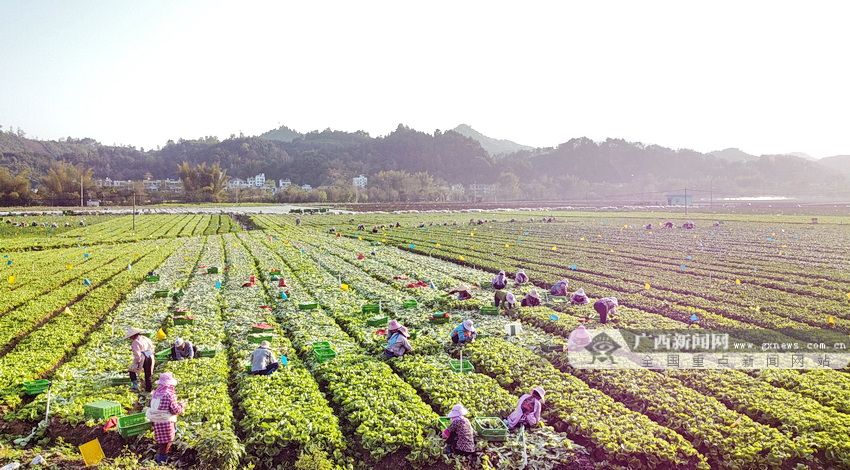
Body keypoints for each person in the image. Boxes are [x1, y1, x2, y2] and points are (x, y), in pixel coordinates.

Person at [146, 372, 186, 465]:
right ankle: (162, 460)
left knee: (161, 440)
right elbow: (174, 410)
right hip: (166, 421)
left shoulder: (156, 393)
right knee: (167, 441)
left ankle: (162, 455)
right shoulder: (169, 394)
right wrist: (182, 406)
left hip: (156, 420)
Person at [125, 327, 155, 392]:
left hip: (143, 358)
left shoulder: (135, 342)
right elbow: (152, 347)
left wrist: (137, 363)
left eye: (130, 337)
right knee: (148, 374)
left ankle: (135, 386)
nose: (130, 338)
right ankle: (148, 389)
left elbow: (137, 355)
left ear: (133, 335)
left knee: (131, 369)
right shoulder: (145, 338)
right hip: (150, 356)